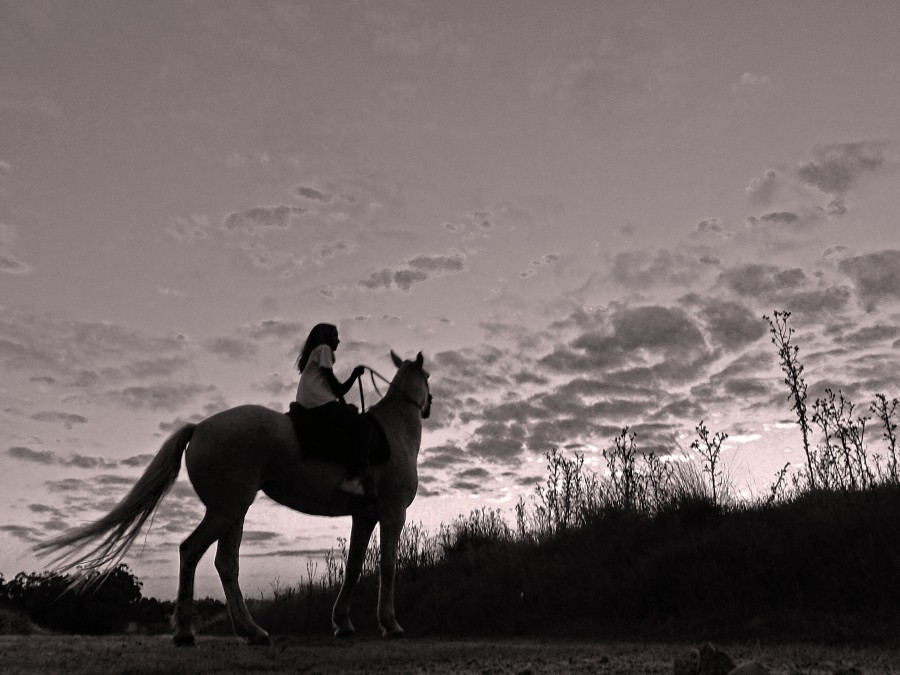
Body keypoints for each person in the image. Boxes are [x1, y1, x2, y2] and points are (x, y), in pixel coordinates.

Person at [295, 323, 369, 496]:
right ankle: (353, 478)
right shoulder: (324, 348)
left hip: (311, 399)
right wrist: (343, 405)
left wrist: (353, 375)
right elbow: (331, 379)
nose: (339, 340)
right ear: (326, 337)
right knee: (363, 427)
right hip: (318, 400)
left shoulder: (318, 354)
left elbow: (338, 389)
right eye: (335, 336)